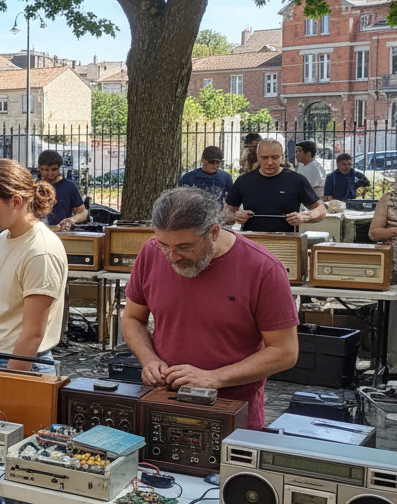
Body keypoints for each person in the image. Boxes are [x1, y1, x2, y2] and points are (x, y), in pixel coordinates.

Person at [121, 187, 300, 430]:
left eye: (184, 247)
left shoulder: (262, 267)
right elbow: (132, 317)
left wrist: (213, 378)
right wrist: (149, 359)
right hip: (163, 402)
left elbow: (285, 351)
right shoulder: (151, 252)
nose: (172, 257)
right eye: (164, 244)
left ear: (214, 232)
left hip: (232, 412)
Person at [0, 159, 67, 373]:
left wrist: (9, 380)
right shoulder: (3, 239)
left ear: (15, 202)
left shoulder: (40, 251)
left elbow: (33, 334)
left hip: (20, 364)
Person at [225, 139, 326, 233]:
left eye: (275, 157)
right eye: (264, 158)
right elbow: (226, 214)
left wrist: (305, 217)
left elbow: (321, 210)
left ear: (282, 156)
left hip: (287, 242)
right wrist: (235, 216)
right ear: (257, 157)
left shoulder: (296, 180)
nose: (269, 163)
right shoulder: (244, 181)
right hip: (253, 243)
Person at [38, 150, 87, 230]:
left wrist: (72, 220)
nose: (50, 173)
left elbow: (83, 212)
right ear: (40, 168)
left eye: (54, 169)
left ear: (59, 168)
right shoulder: (35, 188)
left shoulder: (69, 186)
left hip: (62, 233)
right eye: (46, 170)